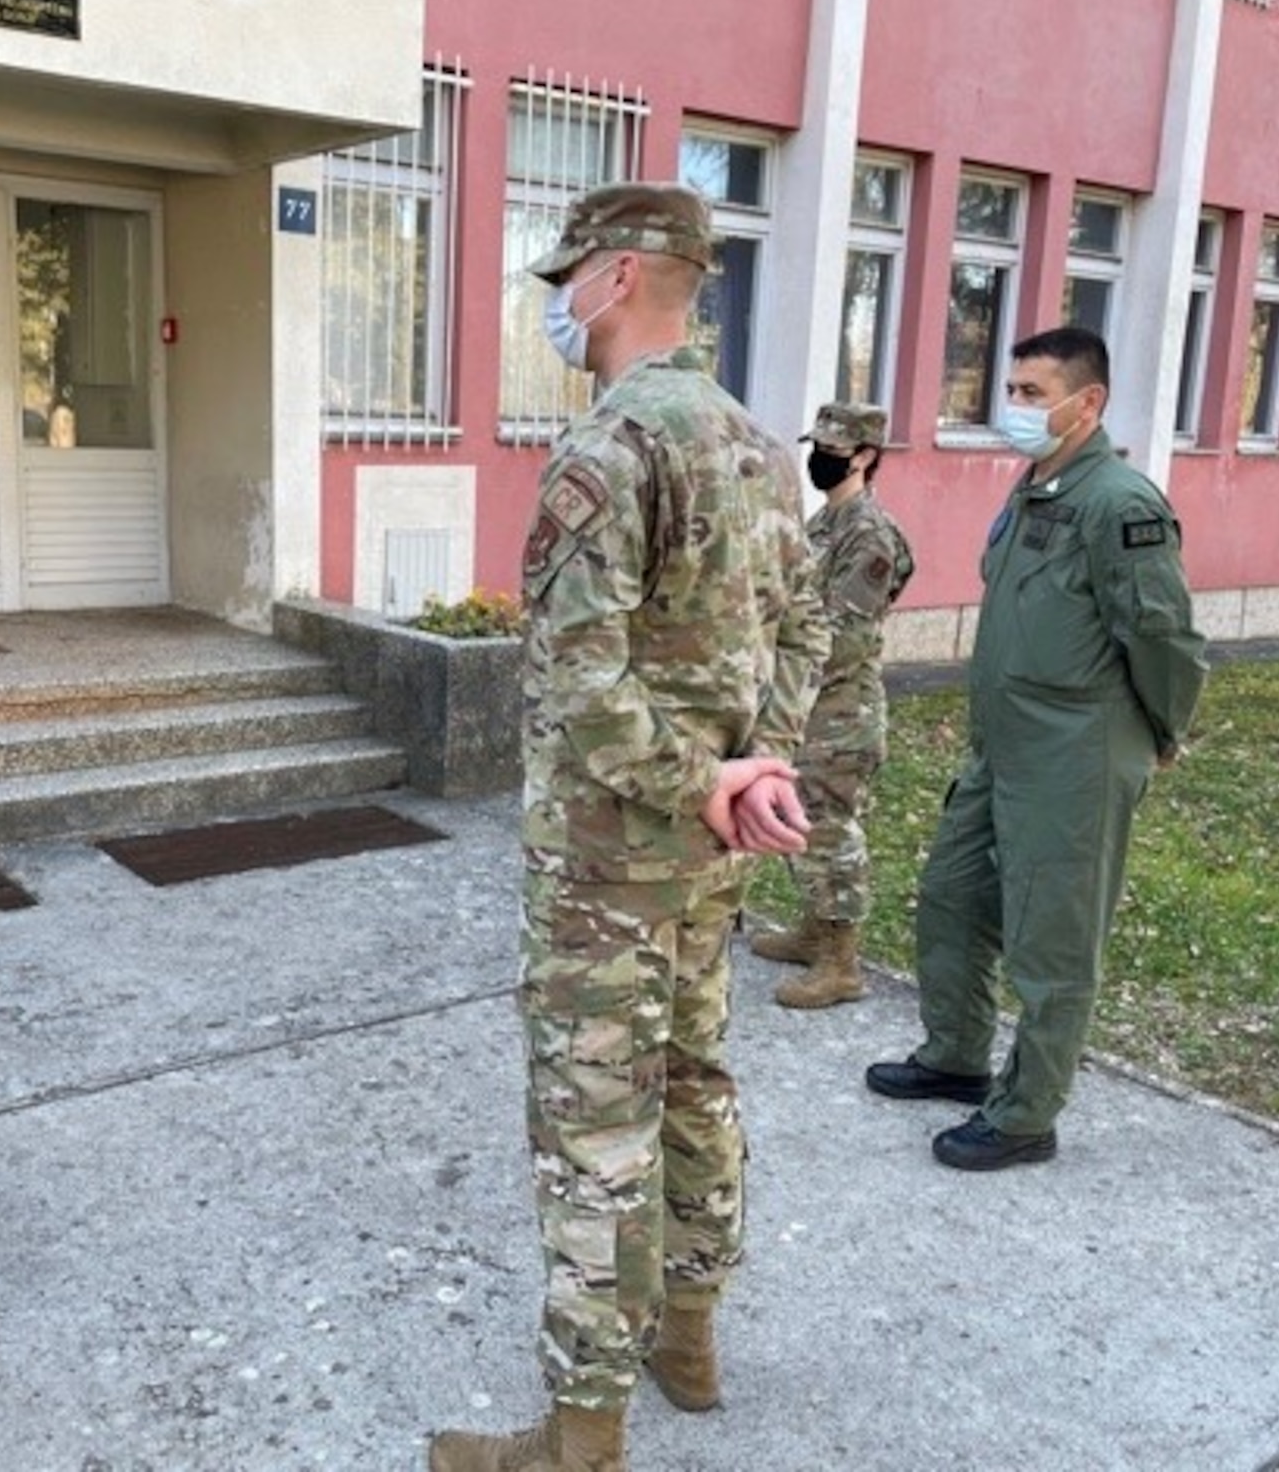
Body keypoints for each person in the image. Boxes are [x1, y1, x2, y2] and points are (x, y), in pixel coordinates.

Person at [429, 184, 828, 1472]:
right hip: (708, 860)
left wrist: (703, 780)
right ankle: (689, 1339)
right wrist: (751, 765)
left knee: (595, 1124)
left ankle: (581, 1433)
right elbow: (804, 632)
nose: (557, 303)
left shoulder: (608, 450)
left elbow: (574, 679)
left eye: (566, 279)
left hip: (610, 861)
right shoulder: (760, 448)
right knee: (696, 1081)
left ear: (613, 277)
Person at [865, 326, 1206, 1171]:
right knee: (951, 897)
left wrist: (1164, 732)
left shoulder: (1120, 504)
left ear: (1086, 403)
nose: (1012, 406)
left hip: (1075, 754)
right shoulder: (1034, 488)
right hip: (1003, 746)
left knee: (1054, 942)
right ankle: (956, 1056)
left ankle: (1026, 1115)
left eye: (1030, 392)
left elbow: (1163, 640)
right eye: (1011, 389)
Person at [749, 401, 915, 1008]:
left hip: (841, 711)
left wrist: (780, 664)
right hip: (807, 706)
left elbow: (843, 636)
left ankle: (841, 962)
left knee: (831, 828)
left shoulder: (868, 535)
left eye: (832, 448)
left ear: (866, 456)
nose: (819, 457)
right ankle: (814, 929)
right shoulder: (823, 525)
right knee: (804, 821)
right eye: (816, 444)